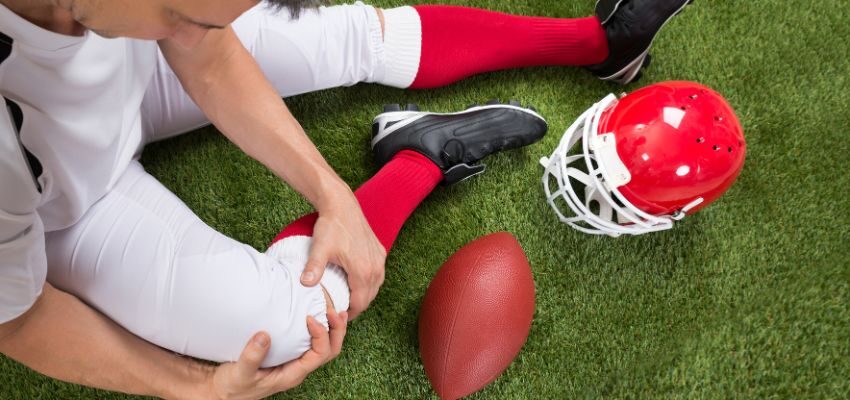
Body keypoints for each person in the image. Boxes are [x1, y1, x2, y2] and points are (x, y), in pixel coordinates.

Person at [0, 0, 689, 398]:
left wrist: (333, 195)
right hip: (69, 198)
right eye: (184, 9)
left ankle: (600, 41)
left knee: (350, 37)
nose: (205, 25)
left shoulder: (162, 17)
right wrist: (187, 387)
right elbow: (16, 320)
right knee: (289, 324)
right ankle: (421, 155)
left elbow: (200, 47)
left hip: (126, 53)